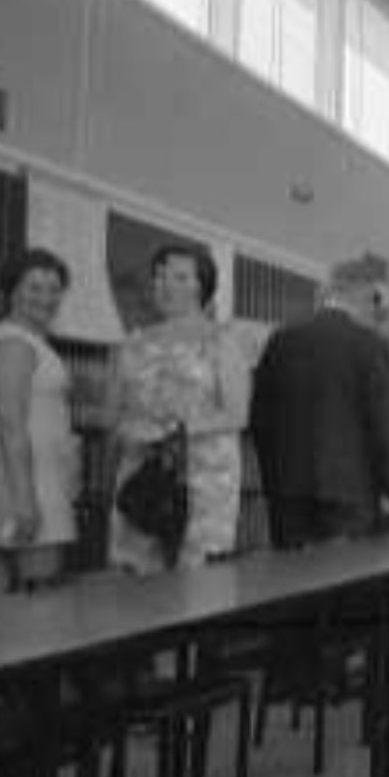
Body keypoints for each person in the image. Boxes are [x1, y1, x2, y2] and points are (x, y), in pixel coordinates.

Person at [106, 245, 250, 573]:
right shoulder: (132, 343)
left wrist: (173, 428)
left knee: (200, 586)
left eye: (180, 277)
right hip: (142, 476)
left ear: (202, 285)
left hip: (204, 480)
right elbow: (112, 414)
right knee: (136, 584)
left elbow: (237, 413)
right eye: (159, 276)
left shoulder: (224, 340)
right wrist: (127, 429)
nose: (166, 285)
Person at [249, 256, 389, 549]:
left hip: (286, 490)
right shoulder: (370, 346)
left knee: (290, 582)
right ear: (363, 295)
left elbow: (260, 418)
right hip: (350, 492)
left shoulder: (281, 340)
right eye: (374, 301)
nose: (373, 309)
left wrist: (272, 479)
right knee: (341, 586)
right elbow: (384, 424)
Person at [0, 248, 80, 594]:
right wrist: (24, 500)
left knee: (19, 589)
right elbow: (12, 425)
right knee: (33, 592)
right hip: (18, 480)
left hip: (37, 477)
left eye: (53, 288)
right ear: (11, 290)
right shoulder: (13, 343)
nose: (45, 298)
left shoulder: (31, 341)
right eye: (34, 287)